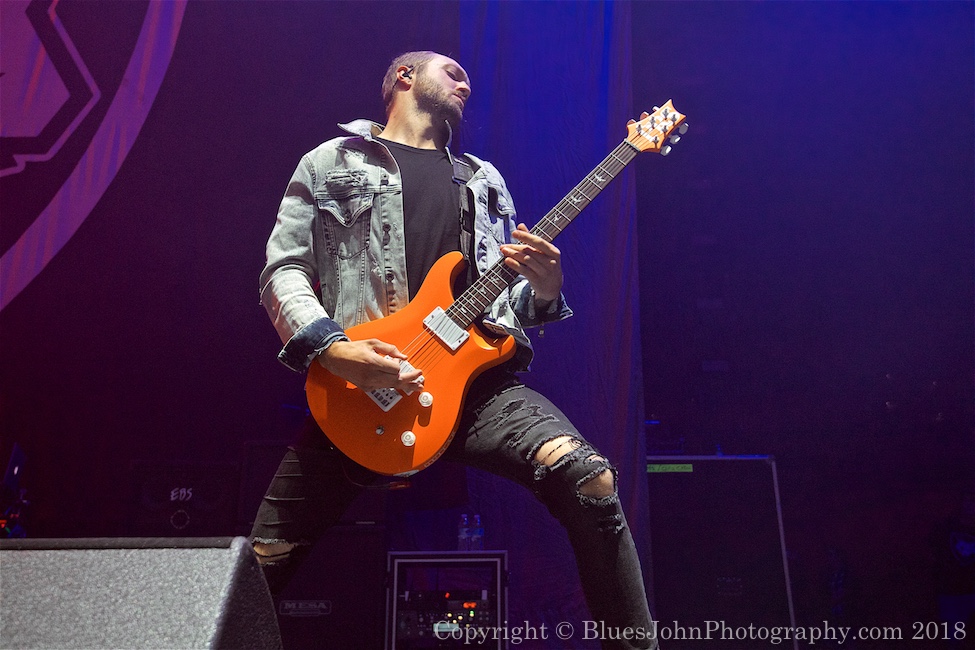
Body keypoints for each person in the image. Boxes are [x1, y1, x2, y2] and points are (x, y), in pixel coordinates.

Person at [251, 50, 658, 649]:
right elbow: (282, 270)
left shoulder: (483, 179)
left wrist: (544, 289)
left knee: (590, 479)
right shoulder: (330, 162)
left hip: (479, 391)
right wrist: (333, 351)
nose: (465, 78)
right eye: (450, 69)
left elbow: (505, 305)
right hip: (366, 385)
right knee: (261, 563)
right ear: (404, 78)